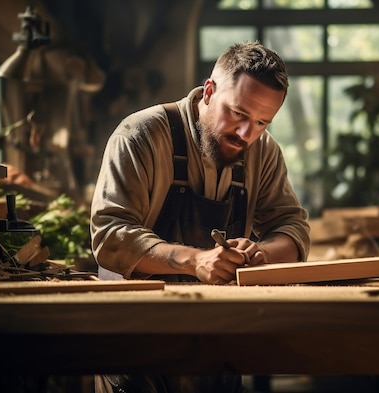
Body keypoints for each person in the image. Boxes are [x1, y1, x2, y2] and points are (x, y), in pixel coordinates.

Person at [90, 41, 311, 392]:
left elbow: (293, 227)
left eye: (261, 122)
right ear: (209, 91)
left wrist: (263, 253)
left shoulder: (262, 151)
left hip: (216, 338)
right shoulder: (140, 135)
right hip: (135, 337)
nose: (246, 134)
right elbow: (111, 235)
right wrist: (193, 261)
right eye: (238, 114)